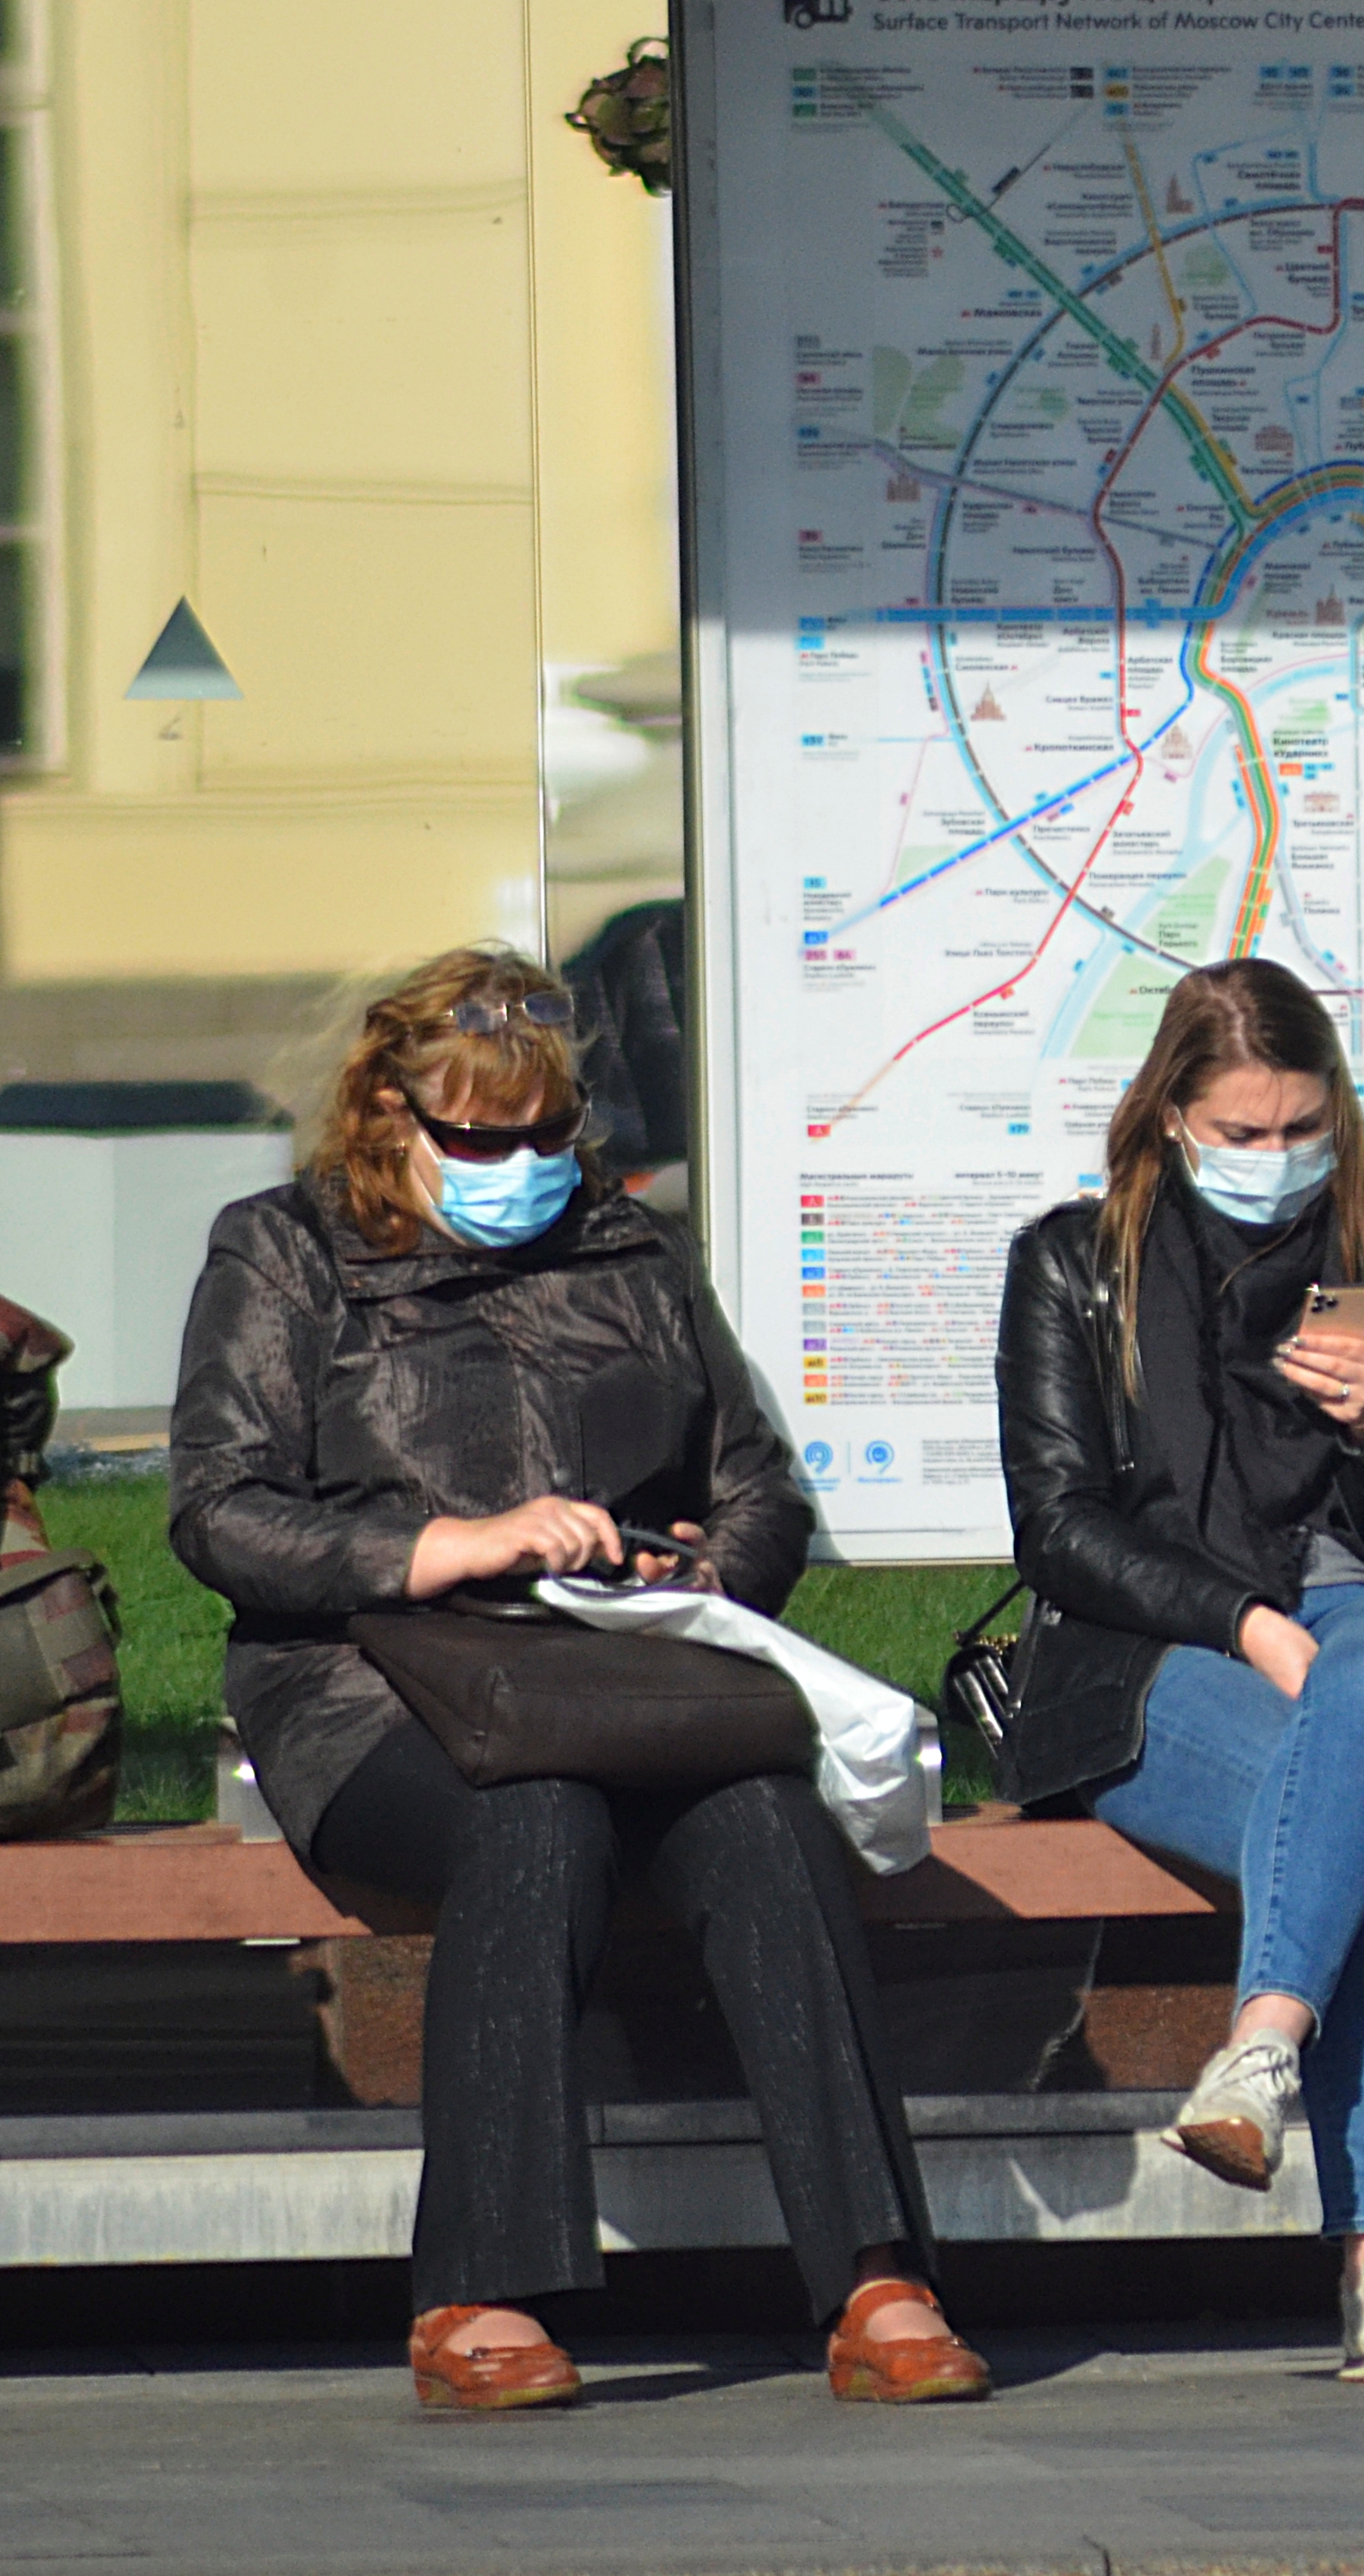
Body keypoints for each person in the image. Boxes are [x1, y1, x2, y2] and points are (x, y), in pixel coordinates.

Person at [170, 947, 984, 2413]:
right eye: (482, 1135)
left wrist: (699, 1572)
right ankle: (479, 2290)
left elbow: (760, 1489)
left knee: (767, 1823)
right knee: (534, 1820)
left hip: (620, 1677)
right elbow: (220, 1510)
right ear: (388, 1111)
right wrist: (446, 1542)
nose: (523, 1163)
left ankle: (877, 2274)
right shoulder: (283, 1246)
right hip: (367, 1684)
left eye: (547, 1131)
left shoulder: (630, 1249)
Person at [993, 958, 1364, 2384]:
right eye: (1241, 1132)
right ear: (1167, 1115)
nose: (1275, 1160)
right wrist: (1242, 1620)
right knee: (1359, 1817)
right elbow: (1060, 1530)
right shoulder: (1069, 1265)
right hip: (1164, 1658)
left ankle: (1261, 2045)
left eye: (1300, 1129)